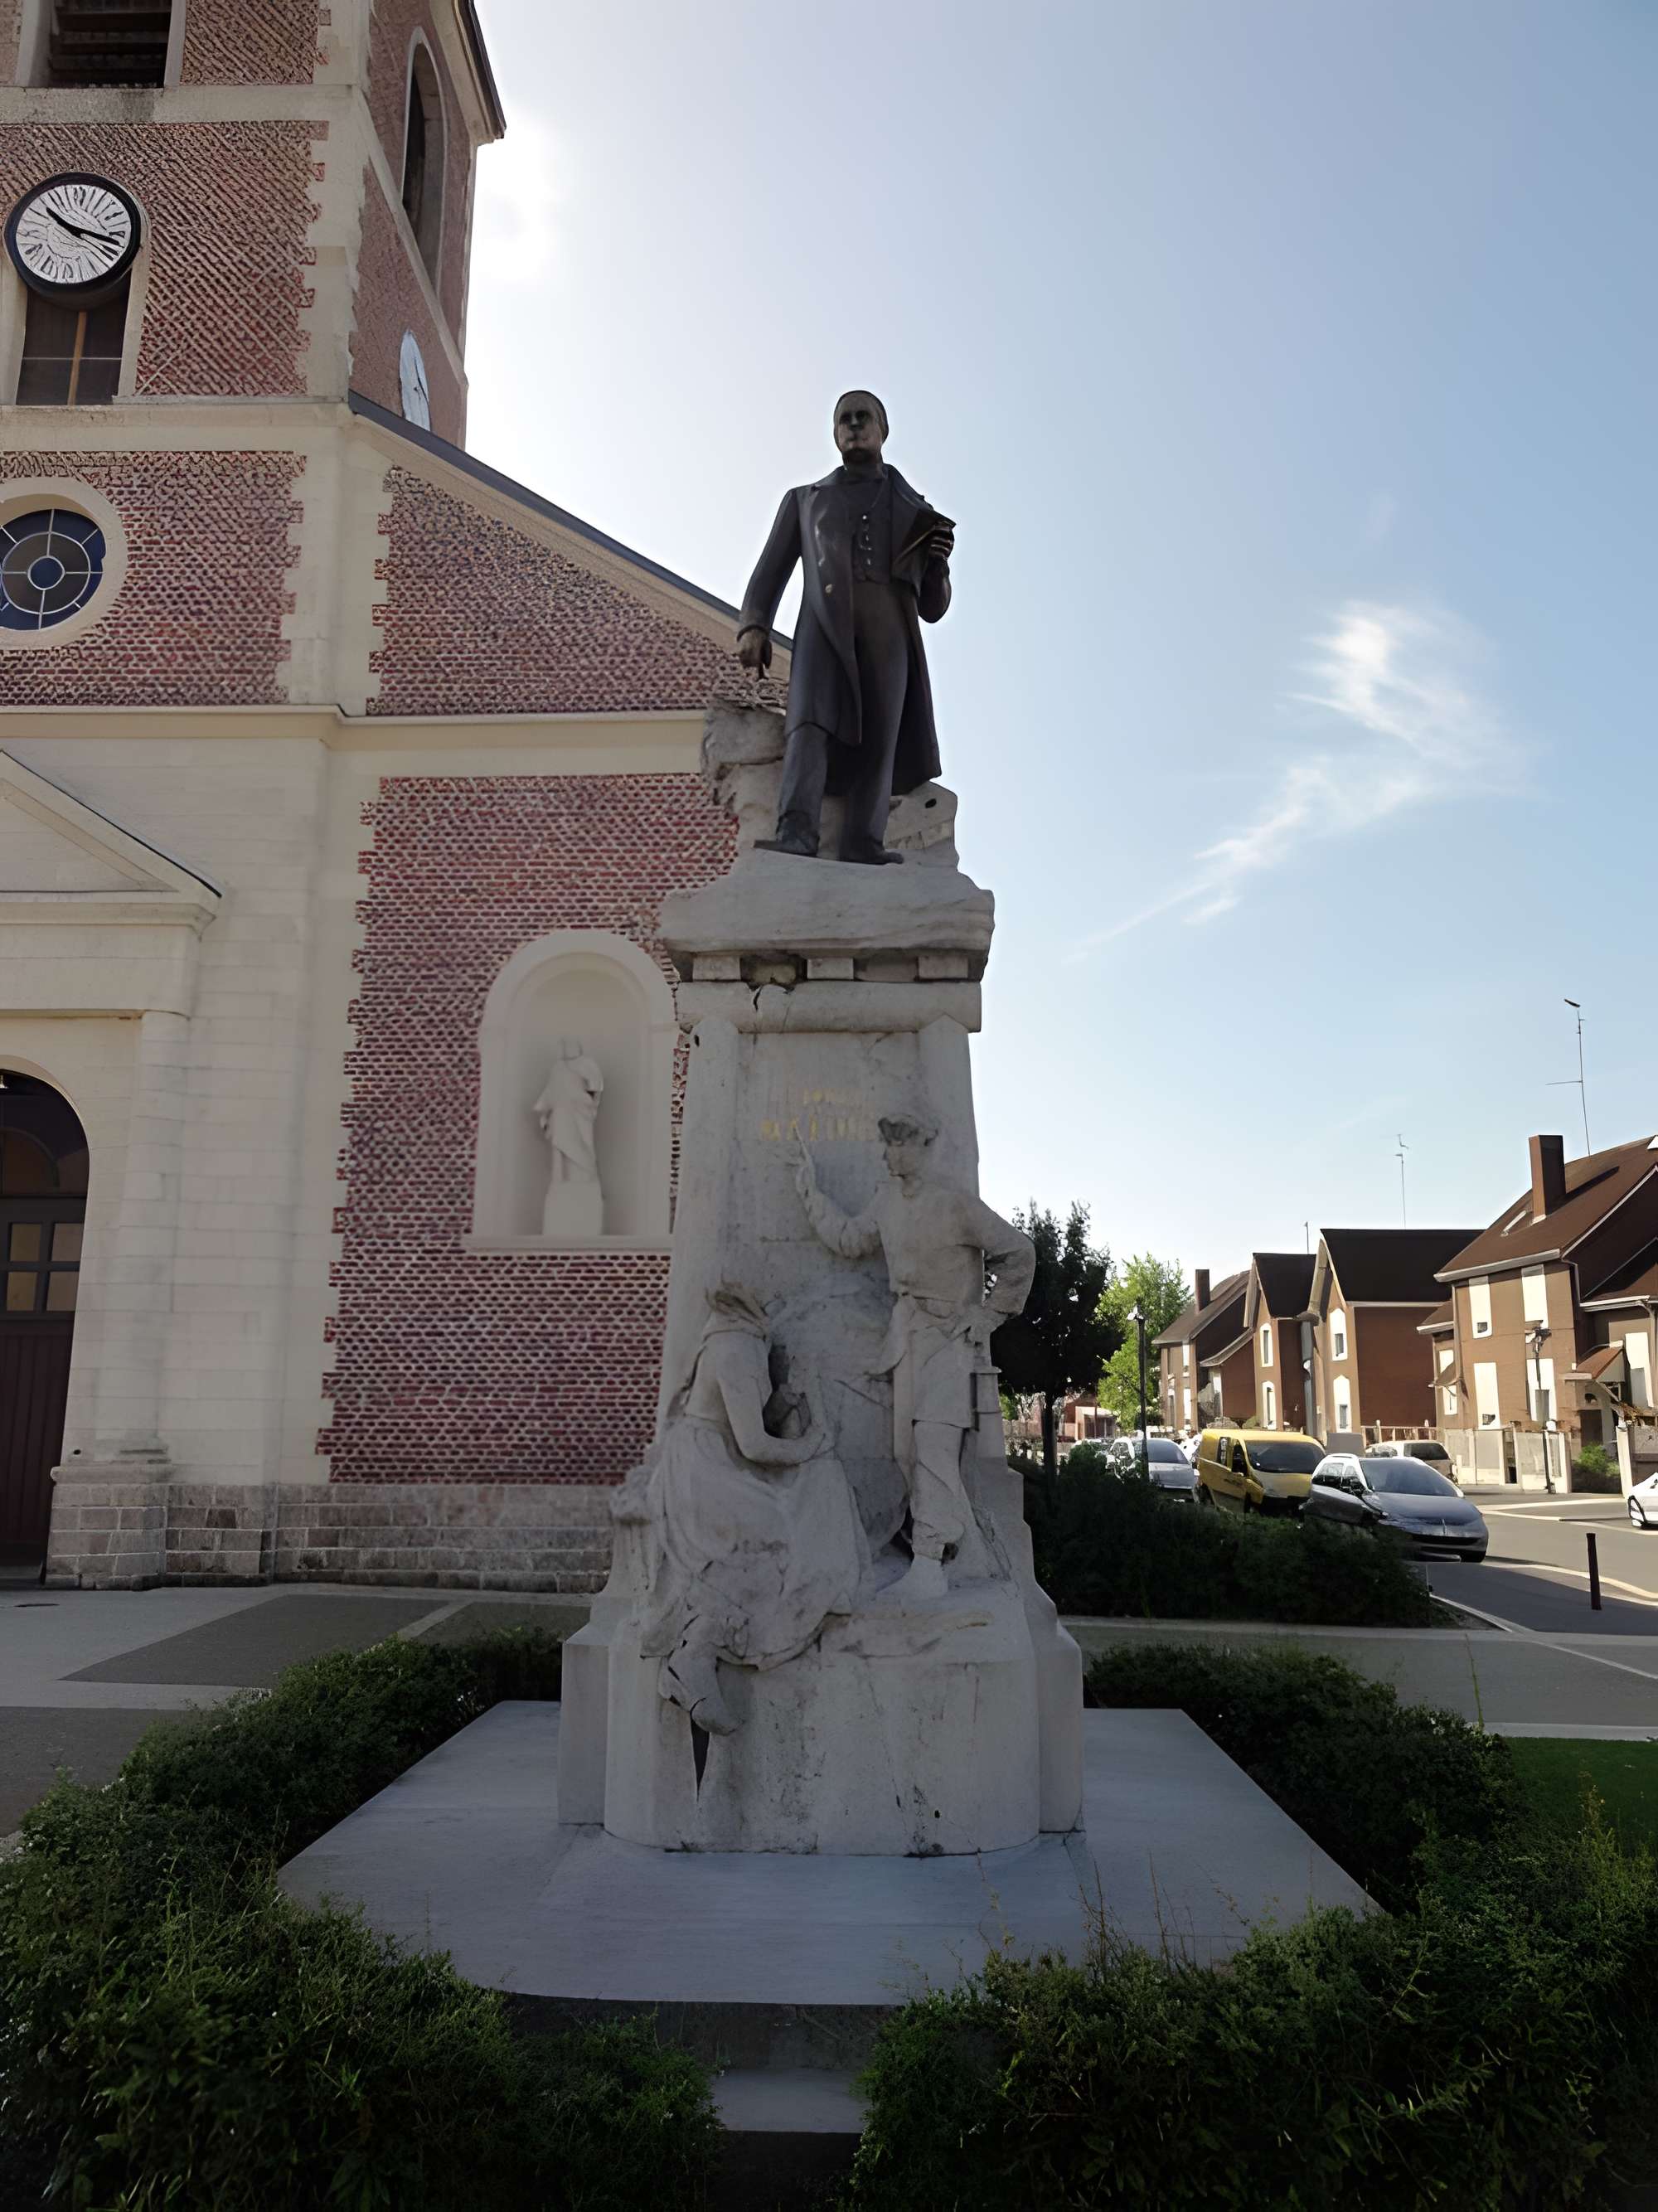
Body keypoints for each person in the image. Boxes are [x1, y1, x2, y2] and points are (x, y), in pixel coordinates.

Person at [794, 1115, 1033, 1604]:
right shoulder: (887, 1201)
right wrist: (810, 1193)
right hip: (907, 1339)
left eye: (896, 1145)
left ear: (921, 1147)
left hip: (949, 1341)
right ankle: (959, 1546)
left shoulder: (955, 1204)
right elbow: (849, 1239)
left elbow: (1018, 1252)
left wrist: (989, 1315)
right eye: (886, 1145)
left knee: (934, 1447)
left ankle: (930, 1560)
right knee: (906, 1451)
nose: (886, 1154)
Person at [614, 1285, 865, 1736]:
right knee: (769, 1535)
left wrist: (787, 1399)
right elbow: (754, 1444)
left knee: (777, 1528)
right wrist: (809, 1446)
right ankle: (694, 1657)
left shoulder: (737, 1341)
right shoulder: (736, 1349)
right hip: (703, 1467)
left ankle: (703, 1651)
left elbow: (746, 1415)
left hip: (716, 1456)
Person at [736, 390, 954, 865]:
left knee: (882, 734)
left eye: (863, 417)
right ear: (835, 434)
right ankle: (796, 833)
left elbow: (933, 609)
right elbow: (770, 569)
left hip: (890, 632)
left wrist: (938, 565)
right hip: (823, 627)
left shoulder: (917, 512)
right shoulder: (805, 500)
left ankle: (864, 842)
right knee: (809, 724)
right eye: (844, 419)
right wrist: (754, 625)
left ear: (883, 430)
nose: (854, 425)